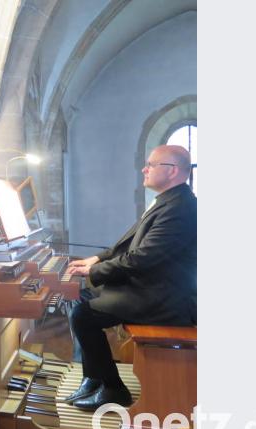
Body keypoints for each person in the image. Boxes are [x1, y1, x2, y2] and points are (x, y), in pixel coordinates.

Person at [63, 144, 197, 411]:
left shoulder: (180, 209)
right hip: (153, 287)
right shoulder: (169, 200)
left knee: (83, 315)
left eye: (150, 164)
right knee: (82, 299)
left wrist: (95, 272)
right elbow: (127, 244)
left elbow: (142, 258)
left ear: (171, 171)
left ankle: (114, 389)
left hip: (164, 298)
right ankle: (94, 376)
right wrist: (97, 259)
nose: (144, 169)